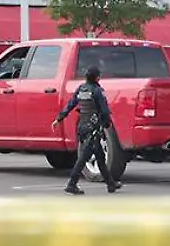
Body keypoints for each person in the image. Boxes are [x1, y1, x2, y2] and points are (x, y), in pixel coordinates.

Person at [50, 66, 122, 195]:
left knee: (99, 156)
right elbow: (104, 110)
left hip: (83, 127)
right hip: (94, 128)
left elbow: (70, 105)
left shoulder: (81, 89)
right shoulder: (98, 91)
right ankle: (71, 184)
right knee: (84, 157)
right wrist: (107, 123)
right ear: (97, 77)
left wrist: (59, 118)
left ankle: (111, 184)